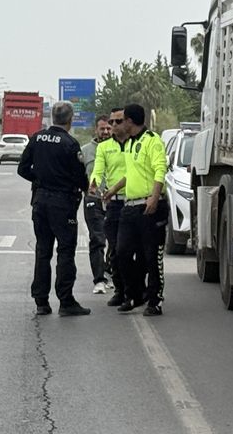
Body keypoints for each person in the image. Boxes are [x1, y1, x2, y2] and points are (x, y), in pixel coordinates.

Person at [17, 101, 91, 317]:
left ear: (52, 117)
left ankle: (41, 301)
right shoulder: (70, 143)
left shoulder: (37, 138)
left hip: (40, 201)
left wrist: (40, 180)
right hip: (63, 204)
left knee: (43, 250)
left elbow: (22, 169)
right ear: (71, 119)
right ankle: (66, 301)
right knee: (65, 251)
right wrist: (85, 190)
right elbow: (79, 176)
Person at [104, 104, 168, 316]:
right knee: (121, 253)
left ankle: (155, 300)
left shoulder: (152, 141)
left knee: (151, 257)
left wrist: (155, 197)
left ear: (130, 121)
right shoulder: (131, 144)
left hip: (150, 207)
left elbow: (160, 170)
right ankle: (133, 294)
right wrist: (113, 189)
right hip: (129, 208)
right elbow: (131, 173)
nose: (118, 124)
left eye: (121, 121)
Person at [90, 108, 133, 306]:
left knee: (137, 251)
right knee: (116, 250)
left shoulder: (138, 144)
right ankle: (121, 290)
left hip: (136, 201)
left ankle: (139, 290)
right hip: (114, 203)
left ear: (128, 123)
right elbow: (98, 170)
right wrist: (94, 182)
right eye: (111, 122)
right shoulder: (104, 147)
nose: (113, 126)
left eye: (118, 122)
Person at [80, 115, 112, 294]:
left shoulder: (119, 149)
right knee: (98, 239)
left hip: (115, 201)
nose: (106, 132)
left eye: (108, 128)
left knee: (116, 242)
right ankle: (99, 279)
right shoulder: (85, 151)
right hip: (94, 201)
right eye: (102, 129)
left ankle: (110, 271)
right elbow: (78, 176)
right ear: (96, 130)